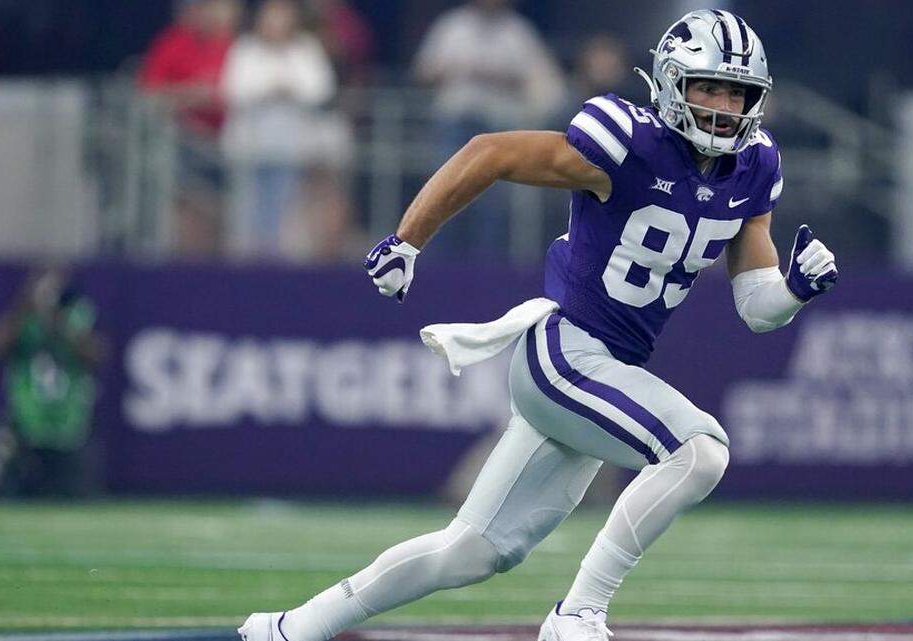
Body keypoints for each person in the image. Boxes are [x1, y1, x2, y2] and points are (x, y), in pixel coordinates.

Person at [240, 10, 839, 641]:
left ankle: (287, 628)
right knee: (700, 449)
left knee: (470, 551)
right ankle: (578, 613)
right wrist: (407, 240)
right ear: (669, 83)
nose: (723, 106)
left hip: (605, 370)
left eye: (736, 92)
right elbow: (489, 152)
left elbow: (755, 307)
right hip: (566, 353)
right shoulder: (627, 144)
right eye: (708, 87)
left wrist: (795, 289)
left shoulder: (753, 169)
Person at [411, 0, 566, 257]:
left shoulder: (518, 33)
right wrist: (460, 71)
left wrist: (504, 79)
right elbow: (422, 73)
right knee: (445, 193)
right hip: (455, 126)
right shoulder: (452, 26)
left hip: (498, 132)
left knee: (491, 205)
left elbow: (550, 90)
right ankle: (436, 264)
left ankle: (485, 266)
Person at [222, 0, 355, 259]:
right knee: (247, 206)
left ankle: (279, 260)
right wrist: (268, 89)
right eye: (272, 18)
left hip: (290, 147)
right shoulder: (246, 49)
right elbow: (233, 90)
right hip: (250, 146)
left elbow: (321, 89)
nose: (277, 25)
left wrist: (290, 88)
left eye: (283, 18)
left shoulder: (304, 48)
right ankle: (245, 259)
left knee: (286, 206)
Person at [0, 268, 106, 497]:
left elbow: (96, 354)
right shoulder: (22, 320)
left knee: (77, 496)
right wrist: (24, 308)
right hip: (25, 426)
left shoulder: (74, 317)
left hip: (69, 429)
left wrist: (58, 322)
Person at [139, 0, 243, 255]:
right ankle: (190, 261)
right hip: (184, 139)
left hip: (228, 141)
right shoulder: (172, 42)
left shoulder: (232, 45)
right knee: (188, 204)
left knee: (226, 209)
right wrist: (190, 95)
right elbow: (148, 96)